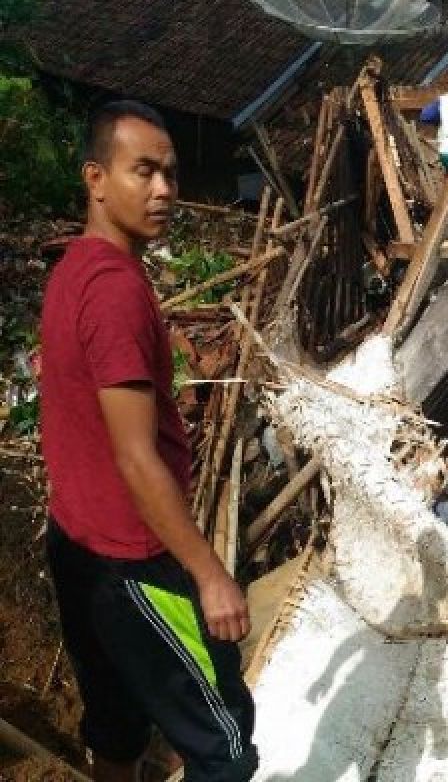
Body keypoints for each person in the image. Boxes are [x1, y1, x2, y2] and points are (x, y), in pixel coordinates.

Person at [39, 101, 257, 782]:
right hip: (130, 563)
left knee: (117, 726)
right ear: (96, 178)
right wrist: (209, 573)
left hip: (75, 544)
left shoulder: (75, 267)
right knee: (224, 747)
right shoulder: (113, 294)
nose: (164, 189)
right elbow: (135, 455)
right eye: (144, 171)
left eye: (169, 172)